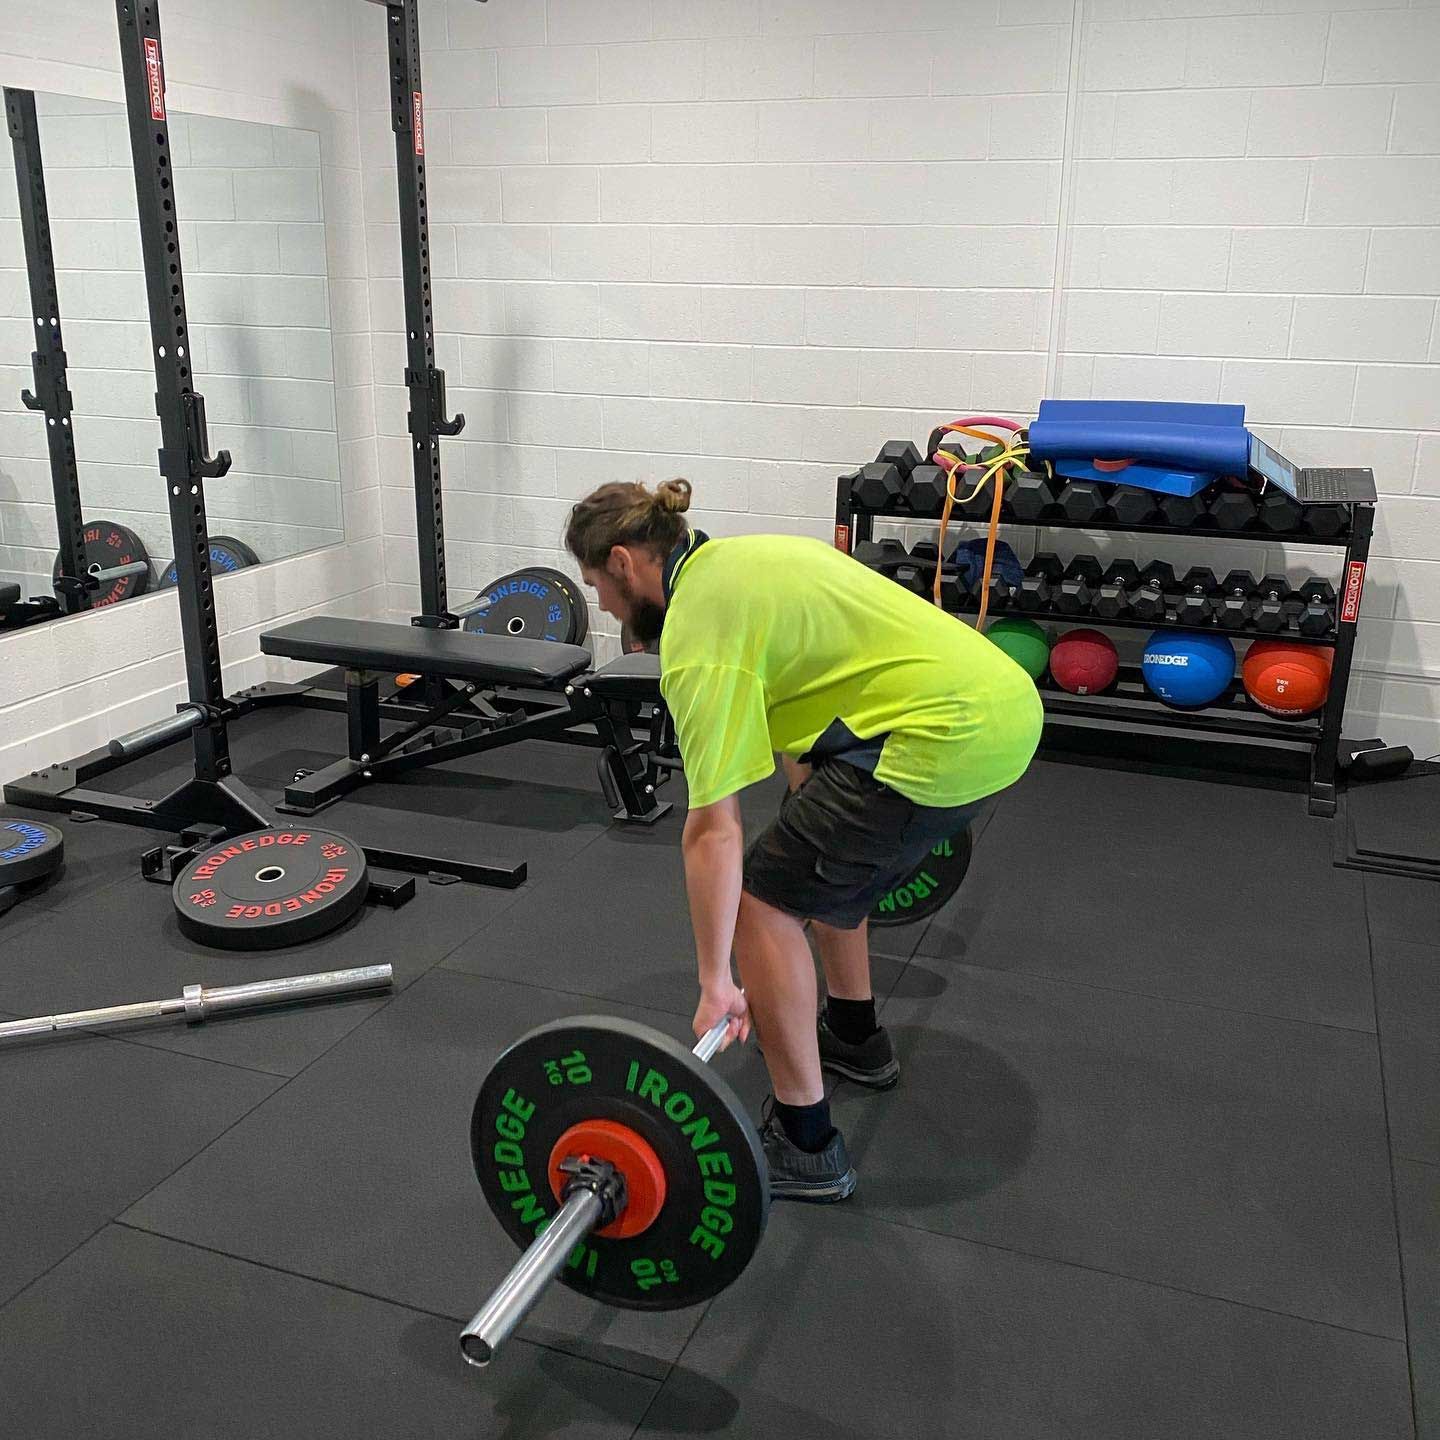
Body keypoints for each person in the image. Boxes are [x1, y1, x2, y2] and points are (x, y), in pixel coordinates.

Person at [564, 478, 1043, 1201]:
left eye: (597, 584)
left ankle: (807, 1142)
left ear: (627, 562)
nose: (602, 605)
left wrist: (715, 981)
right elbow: (806, 745)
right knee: (816, 857)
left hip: (940, 738)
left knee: (765, 900)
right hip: (999, 708)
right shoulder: (747, 563)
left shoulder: (698, 637)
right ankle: (854, 1037)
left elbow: (712, 830)